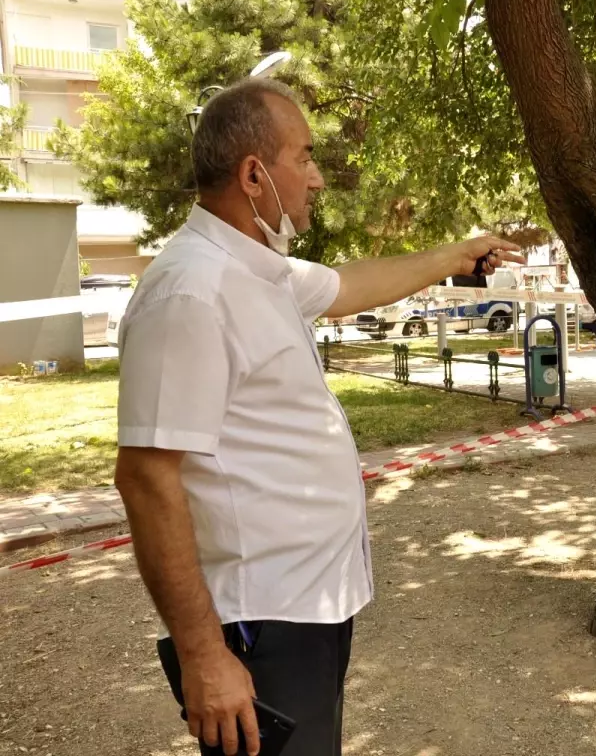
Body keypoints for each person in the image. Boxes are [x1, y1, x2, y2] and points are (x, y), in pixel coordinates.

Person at [113, 78, 523, 756]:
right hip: (259, 623)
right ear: (253, 175)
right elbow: (146, 479)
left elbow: (349, 286)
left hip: (309, 608)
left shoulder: (260, 272)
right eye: (303, 157)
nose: (319, 177)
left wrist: (456, 256)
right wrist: (204, 656)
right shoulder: (191, 292)